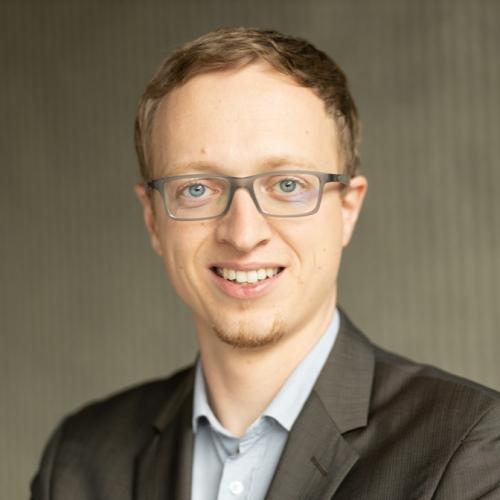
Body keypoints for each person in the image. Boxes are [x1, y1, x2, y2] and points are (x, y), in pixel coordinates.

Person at [31, 27, 500, 500]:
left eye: (288, 185)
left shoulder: (468, 451)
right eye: (197, 188)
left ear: (347, 208)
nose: (243, 234)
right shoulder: (79, 462)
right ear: (153, 219)